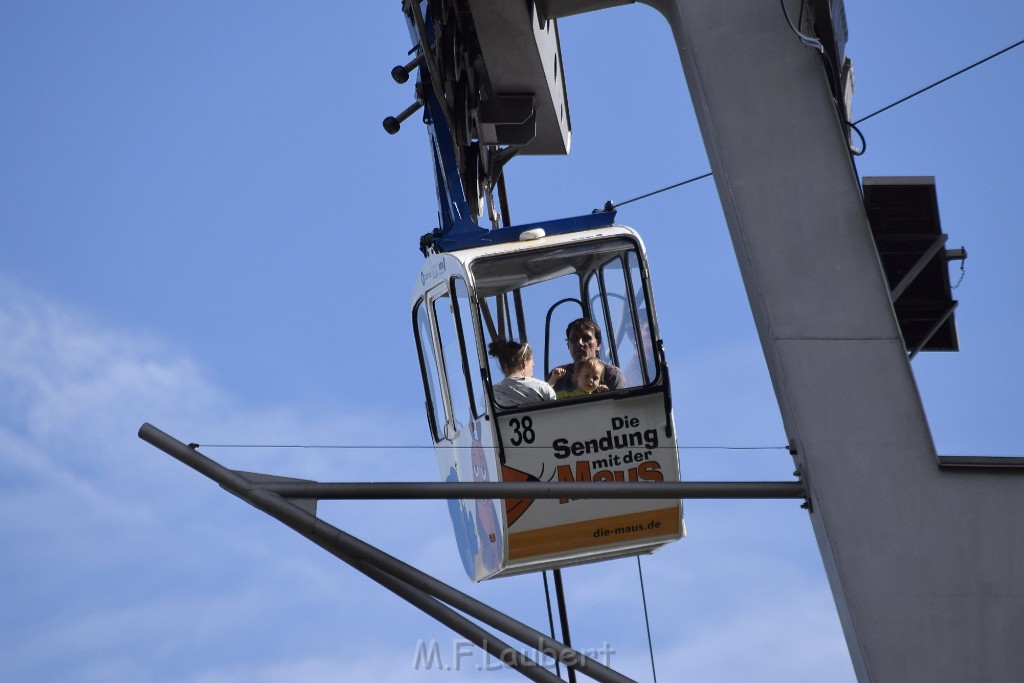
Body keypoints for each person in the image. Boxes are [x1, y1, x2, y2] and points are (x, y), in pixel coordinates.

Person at [550, 318, 626, 394]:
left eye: (586, 338)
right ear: (568, 345)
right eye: (574, 339)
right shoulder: (557, 376)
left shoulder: (612, 375)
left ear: (598, 345)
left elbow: (618, 405)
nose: (580, 343)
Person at [488, 338, 557, 407]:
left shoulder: (491, 394)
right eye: (532, 366)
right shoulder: (543, 388)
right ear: (523, 363)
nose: (532, 373)